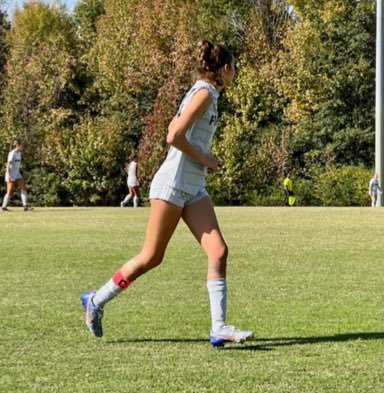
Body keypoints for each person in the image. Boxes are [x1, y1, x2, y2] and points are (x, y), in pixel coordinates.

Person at [81, 39, 254, 347]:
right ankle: (96, 300)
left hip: (193, 187)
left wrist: (201, 162)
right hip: (173, 185)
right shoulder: (204, 92)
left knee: (219, 252)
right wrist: (205, 159)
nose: (235, 73)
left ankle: (219, 327)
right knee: (151, 257)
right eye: (234, 68)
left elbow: (178, 127)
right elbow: (172, 135)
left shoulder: (206, 93)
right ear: (224, 69)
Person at [1, 139, 33, 212]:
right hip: (10, 173)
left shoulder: (19, 153)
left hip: (17, 173)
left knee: (23, 187)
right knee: (10, 191)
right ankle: (3, 207)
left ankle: (25, 206)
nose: (22, 146)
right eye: (21, 145)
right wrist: (8, 175)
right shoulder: (12, 153)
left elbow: (17, 165)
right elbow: (8, 165)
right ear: (17, 145)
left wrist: (23, 171)